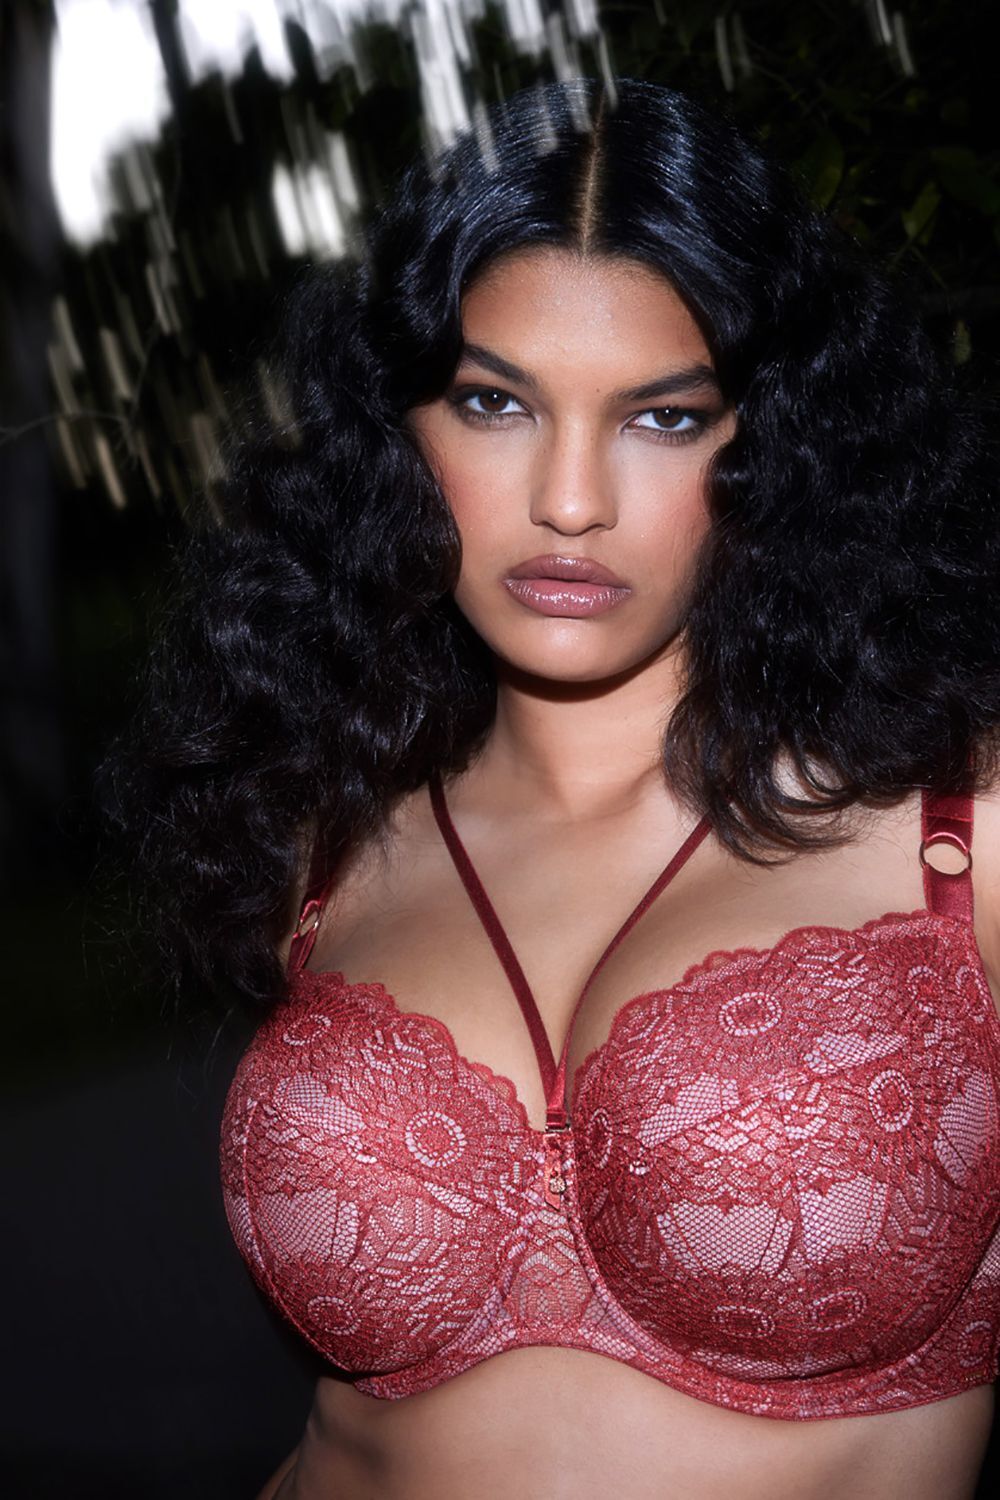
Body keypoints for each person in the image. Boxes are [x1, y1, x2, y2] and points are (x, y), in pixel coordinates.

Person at [108, 78, 1000, 1499]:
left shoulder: (961, 833)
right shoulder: (330, 842)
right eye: (494, 402)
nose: (569, 499)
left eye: (663, 419)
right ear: (400, 431)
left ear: (774, 442)